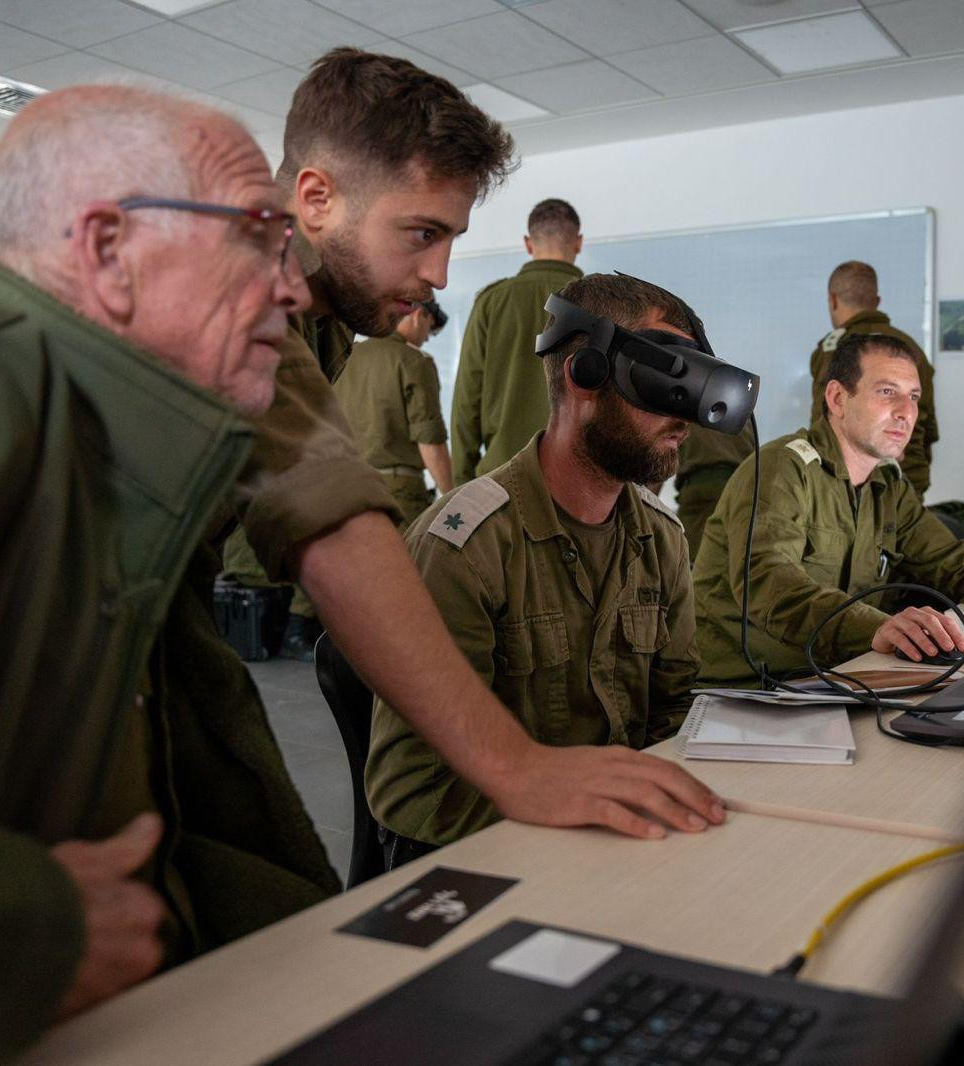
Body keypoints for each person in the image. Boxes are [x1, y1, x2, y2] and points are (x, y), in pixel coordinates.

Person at [0, 86, 332, 1063]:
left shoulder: (123, 469)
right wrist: (8, 926)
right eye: (260, 235)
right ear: (105, 252)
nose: (294, 290)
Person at [242, 50, 723, 839]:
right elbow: (329, 524)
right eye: (422, 233)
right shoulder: (237, 293)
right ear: (315, 196)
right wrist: (516, 766)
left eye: (450, 237)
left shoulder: (320, 324)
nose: (439, 273)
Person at [367, 274, 705, 860]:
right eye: (662, 380)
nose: (683, 415)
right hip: (491, 860)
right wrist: (577, 819)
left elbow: (672, 715)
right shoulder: (465, 547)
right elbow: (414, 788)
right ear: (586, 378)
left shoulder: (662, 538)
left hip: (623, 850)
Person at [695, 333, 964, 687]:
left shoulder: (887, 484)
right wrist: (880, 627)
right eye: (887, 392)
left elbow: (951, 562)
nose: (906, 411)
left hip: (835, 677)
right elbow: (770, 586)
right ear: (837, 398)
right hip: (746, 688)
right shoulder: (783, 469)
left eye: (914, 396)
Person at [450, 197, 585, 485]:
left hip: (501, 477)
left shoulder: (492, 301)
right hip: (579, 482)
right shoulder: (603, 306)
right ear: (578, 242)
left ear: (527, 243)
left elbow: (467, 397)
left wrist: (462, 483)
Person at [808, 260, 940, 496]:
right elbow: (929, 431)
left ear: (833, 300)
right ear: (876, 302)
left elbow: (821, 424)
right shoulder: (911, 352)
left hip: (840, 488)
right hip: (906, 483)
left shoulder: (831, 349)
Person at [332, 298, 454, 529]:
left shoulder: (347, 357)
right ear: (419, 314)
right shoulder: (414, 361)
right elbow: (430, 444)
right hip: (397, 496)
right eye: (431, 330)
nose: (427, 338)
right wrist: (454, 497)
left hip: (343, 494)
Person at [674, 421, 755, 562]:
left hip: (699, 493)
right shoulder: (743, 414)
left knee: (689, 564)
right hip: (742, 491)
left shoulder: (689, 407)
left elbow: (659, 453)